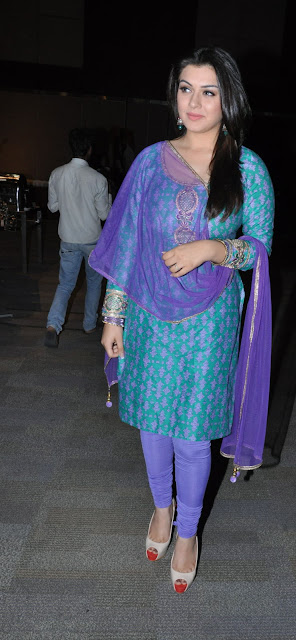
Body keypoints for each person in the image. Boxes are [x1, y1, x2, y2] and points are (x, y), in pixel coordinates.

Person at [89, 46, 275, 593]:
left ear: (228, 100)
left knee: (192, 435)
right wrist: (113, 315)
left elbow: (259, 248)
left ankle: (188, 533)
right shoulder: (150, 162)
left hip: (210, 320)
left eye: (208, 91)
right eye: (186, 88)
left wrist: (214, 249)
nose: (194, 101)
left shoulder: (248, 168)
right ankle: (161, 508)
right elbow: (127, 244)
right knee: (151, 423)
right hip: (149, 313)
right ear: (174, 97)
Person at [44, 128, 112, 347]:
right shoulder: (98, 178)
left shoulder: (57, 174)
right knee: (94, 283)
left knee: (65, 285)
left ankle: (53, 325)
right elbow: (104, 215)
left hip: (68, 238)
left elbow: (52, 207)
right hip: (92, 241)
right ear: (89, 149)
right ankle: (89, 324)